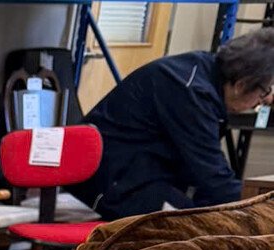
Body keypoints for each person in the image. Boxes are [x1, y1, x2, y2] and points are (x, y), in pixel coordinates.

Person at [76, 31, 274, 217]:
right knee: (197, 229)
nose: (264, 100)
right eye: (264, 92)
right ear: (241, 85)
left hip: (140, 175)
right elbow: (214, 177)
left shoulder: (204, 71)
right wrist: (263, 205)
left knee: (213, 214)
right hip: (113, 183)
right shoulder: (192, 94)